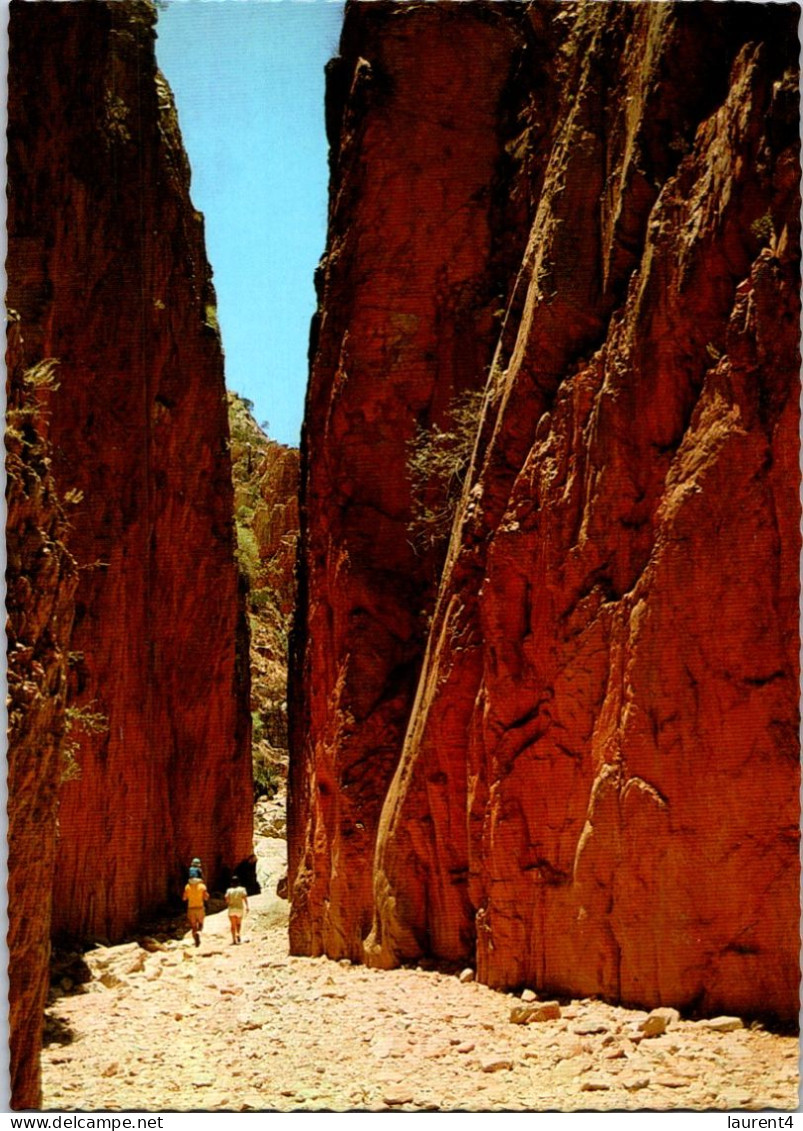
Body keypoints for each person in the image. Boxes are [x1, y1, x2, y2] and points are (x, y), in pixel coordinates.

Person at [183, 870, 209, 947]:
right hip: (200, 908)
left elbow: (184, 898)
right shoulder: (202, 886)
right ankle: (199, 932)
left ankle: (196, 941)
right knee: (200, 924)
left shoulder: (187, 886)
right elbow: (206, 898)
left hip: (191, 908)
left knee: (193, 926)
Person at [225, 874, 249, 945]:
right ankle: (238, 933)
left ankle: (234, 940)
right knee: (238, 923)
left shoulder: (229, 890)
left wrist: (228, 901)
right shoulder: (242, 889)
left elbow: (226, 898)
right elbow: (245, 897)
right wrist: (247, 906)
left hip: (231, 909)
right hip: (239, 909)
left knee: (233, 925)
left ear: (231, 883)